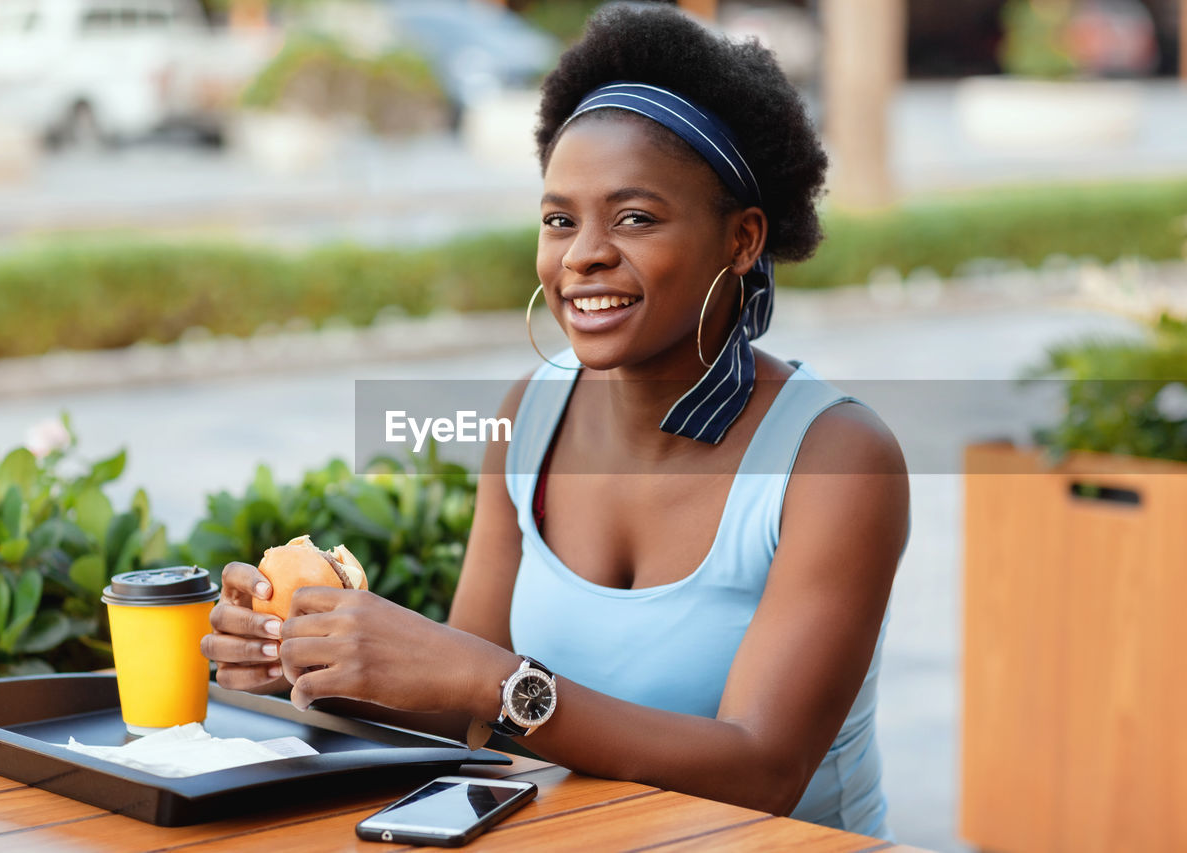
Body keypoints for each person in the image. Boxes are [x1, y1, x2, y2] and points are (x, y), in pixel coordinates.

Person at [201, 4, 908, 840]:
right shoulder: (531, 415)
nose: (583, 254)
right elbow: (460, 713)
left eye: (635, 217)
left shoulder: (838, 459)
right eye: (560, 218)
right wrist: (308, 666)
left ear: (743, 239)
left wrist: (497, 682)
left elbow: (764, 771)